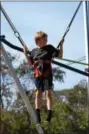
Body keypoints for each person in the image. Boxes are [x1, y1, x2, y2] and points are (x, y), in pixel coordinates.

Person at [23, 31, 64, 123]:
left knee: (47, 93)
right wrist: (25, 53)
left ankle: (49, 113)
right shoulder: (33, 51)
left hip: (47, 74)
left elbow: (60, 56)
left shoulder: (49, 48)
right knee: (38, 93)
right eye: (44, 39)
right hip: (38, 74)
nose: (46, 40)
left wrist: (61, 45)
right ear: (38, 40)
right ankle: (38, 115)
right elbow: (30, 64)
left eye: (46, 39)